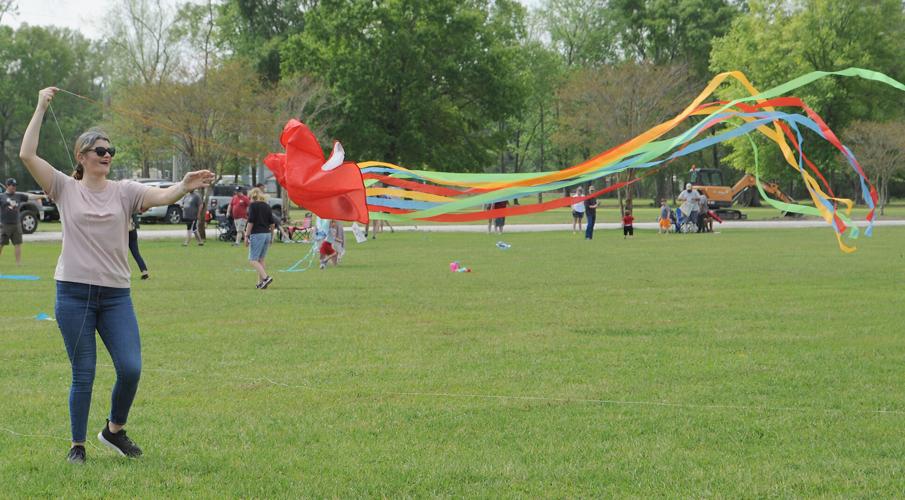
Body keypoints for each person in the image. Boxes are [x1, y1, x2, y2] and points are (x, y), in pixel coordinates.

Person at [19, 86, 214, 464]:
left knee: (130, 367)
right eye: (100, 151)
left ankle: (114, 431)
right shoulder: (63, 187)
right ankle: (77, 445)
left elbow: (162, 196)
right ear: (82, 156)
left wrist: (184, 185)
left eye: (111, 151)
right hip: (73, 294)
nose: (107, 156)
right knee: (84, 373)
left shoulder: (124, 191)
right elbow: (27, 153)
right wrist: (41, 105)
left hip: (115, 296)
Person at [244, 188, 274, 288]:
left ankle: (266, 278)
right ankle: (260, 283)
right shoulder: (267, 206)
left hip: (257, 234)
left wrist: (246, 235)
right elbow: (272, 223)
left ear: (252, 197)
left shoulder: (253, 206)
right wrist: (272, 236)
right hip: (267, 234)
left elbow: (251, 221)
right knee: (261, 259)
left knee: (253, 260)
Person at [0, 178, 26, 265]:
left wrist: (43, 196)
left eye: (15, 185)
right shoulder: (2, 196)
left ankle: (18, 263)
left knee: (18, 244)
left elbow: (30, 196)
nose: (14, 187)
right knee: (1, 244)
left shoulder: (18, 195)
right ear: (8, 186)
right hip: (5, 225)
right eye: (13, 185)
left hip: (16, 224)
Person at [128, 213, 149, 279]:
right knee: (136, 254)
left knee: (122, 254)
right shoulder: (131, 205)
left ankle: (124, 273)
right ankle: (144, 272)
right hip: (133, 230)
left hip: (125, 231)